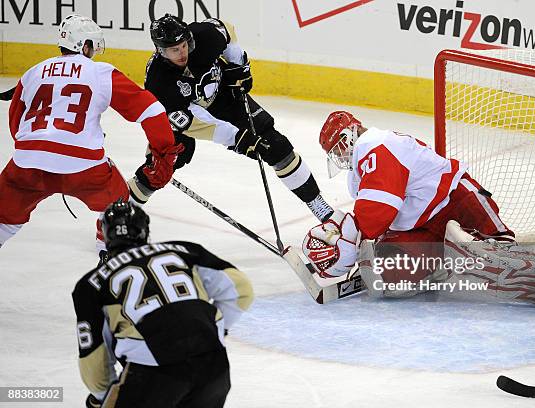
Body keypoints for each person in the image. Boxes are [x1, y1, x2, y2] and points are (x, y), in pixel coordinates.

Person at [302, 111, 535, 314]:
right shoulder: (362, 163)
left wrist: (349, 239)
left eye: (338, 150)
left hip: (457, 203)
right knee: (383, 274)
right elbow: (380, 218)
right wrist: (361, 247)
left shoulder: (375, 145)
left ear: (346, 137)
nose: (340, 157)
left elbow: (378, 211)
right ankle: (445, 260)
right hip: (422, 228)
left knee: (493, 258)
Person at [0, 14, 181, 262]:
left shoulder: (33, 72)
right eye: (93, 45)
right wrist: (164, 153)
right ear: (84, 45)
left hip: (26, 164)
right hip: (84, 167)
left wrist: (43, 147)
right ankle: (112, 255)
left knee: (2, 219)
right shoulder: (99, 72)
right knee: (121, 208)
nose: (94, 51)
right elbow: (151, 110)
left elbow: (16, 123)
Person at [127, 14, 336, 222]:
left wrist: (239, 66)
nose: (182, 53)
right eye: (174, 50)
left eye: (184, 45)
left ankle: (317, 204)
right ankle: (122, 213)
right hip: (186, 118)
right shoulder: (159, 83)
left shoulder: (203, 36)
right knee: (160, 167)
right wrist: (237, 138)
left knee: (277, 146)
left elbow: (226, 29)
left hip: (225, 95)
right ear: (161, 51)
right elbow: (195, 122)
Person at [73, 201, 254, 408]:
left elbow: (93, 359)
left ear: (106, 234)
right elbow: (242, 289)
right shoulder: (185, 250)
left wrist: (101, 397)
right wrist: (212, 330)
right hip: (213, 365)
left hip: (154, 375)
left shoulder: (91, 285)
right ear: (145, 230)